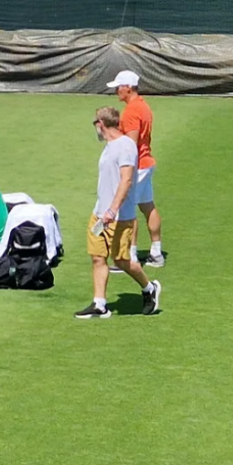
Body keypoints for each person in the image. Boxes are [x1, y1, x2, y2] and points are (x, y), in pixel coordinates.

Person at [75, 107, 161, 319]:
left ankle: (149, 288)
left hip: (119, 216)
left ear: (100, 124)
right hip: (99, 214)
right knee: (97, 257)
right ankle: (100, 304)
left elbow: (127, 180)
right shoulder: (109, 147)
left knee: (122, 261)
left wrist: (112, 210)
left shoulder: (125, 146)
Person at [108, 70, 164, 267]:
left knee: (127, 210)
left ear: (128, 88)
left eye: (119, 87)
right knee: (148, 206)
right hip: (146, 163)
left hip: (137, 166)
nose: (116, 91)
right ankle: (156, 253)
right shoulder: (143, 106)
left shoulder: (132, 111)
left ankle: (129, 257)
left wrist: (126, 169)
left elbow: (130, 145)